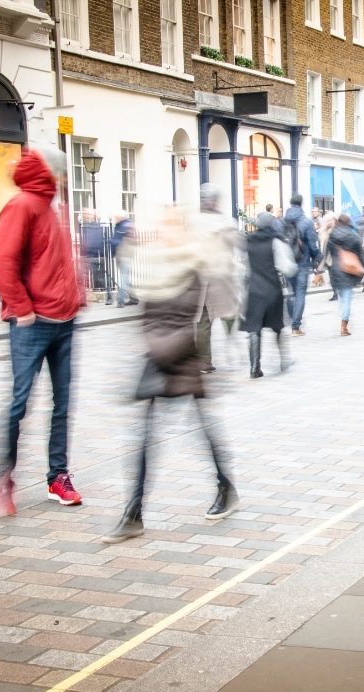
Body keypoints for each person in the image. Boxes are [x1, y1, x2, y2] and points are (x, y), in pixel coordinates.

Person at [101, 209, 239, 544]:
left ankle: (225, 487)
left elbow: (187, 318)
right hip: (158, 358)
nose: (164, 232)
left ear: (184, 231)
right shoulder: (155, 266)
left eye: (171, 226)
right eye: (161, 225)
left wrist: (156, 351)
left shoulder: (193, 266)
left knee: (203, 431)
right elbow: (146, 315)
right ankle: (133, 513)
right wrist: (151, 347)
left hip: (181, 358)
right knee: (146, 440)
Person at [0, 143, 86, 517]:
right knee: (19, 403)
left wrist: (77, 296)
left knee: (63, 403)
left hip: (64, 321)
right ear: (50, 173)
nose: (64, 181)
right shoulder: (24, 205)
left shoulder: (52, 208)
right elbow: (0, 260)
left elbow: (56, 261)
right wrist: (23, 308)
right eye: (61, 174)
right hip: (33, 324)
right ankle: (3, 480)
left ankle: (57, 475)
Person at [194, 183, 245, 373]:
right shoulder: (226, 222)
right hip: (222, 275)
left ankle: (204, 361)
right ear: (215, 200)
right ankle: (233, 345)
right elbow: (239, 243)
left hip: (201, 275)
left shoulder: (193, 221)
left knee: (203, 320)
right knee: (229, 312)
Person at [241, 211, 290, 378]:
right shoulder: (276, 240)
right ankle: (283, 359)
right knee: (277, 326)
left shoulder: (248, 241)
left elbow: (243, 266)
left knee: (254, 329)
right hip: (272, 288)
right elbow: (286, 266)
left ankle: (255, 366)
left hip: (254, 289)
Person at [324, 214, 364, 336]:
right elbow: (362, 255)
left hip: (335, 269)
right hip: (349, 270)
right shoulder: (354, 236)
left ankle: (344, 316)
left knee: (342, 297)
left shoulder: (332, 235)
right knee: (346, 298)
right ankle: (344, 326)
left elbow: (327, 252)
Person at [283, 194, 323, 336]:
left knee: (291, 292)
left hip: (287, 262)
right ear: (301, 204)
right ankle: (295, 326)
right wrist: (319, 258)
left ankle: (292, 316)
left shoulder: (283, 221)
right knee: (300, 294)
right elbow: (312, 244)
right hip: (302, 262)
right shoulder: (306, 222)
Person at [80, 209, 109, 302]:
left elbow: (92, 242)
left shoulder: (90, 227)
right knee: (98, 277)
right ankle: (107, 297)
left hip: (93, 255)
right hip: (96, 255)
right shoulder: (94, 227)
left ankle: (105, 296)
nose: (86, 216)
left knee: (95, 277)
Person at [110, 211, 136, 307]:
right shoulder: (127, 225)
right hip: (126, 255)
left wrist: (113, 252)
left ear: (120, 217)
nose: (114, 218)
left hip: (123, 255)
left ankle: (120, 300)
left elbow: (115, 242)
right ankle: (134, 298)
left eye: (115, 216)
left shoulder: (122, 226)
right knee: (126, 277)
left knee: (124, 278)